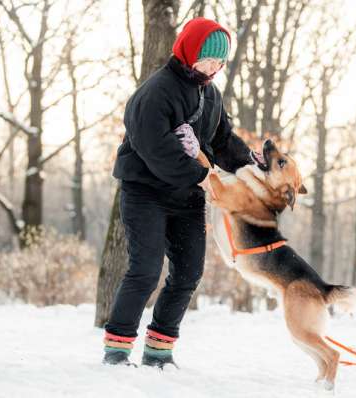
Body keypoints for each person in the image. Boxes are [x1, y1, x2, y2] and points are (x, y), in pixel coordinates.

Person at [102, 17, 257, 368]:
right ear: (190, 52)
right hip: (146, 191)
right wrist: (203, 174)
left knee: (188, 272)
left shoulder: (211, 94)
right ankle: (117, 349)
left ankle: (159, 350)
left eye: (220, 62)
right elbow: (156, 150)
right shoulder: (155, 93)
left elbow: (221, 140)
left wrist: (251, 163)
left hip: (187, 195)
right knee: (145, 269)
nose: (215, 68)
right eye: (209, 60)